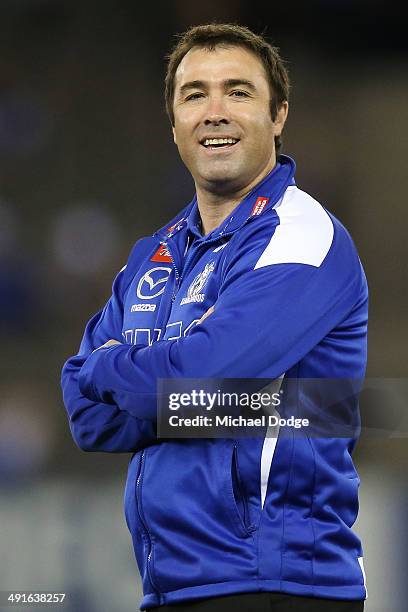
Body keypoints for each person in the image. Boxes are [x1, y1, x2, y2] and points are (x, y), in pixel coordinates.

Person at [61, 23, 368, 612]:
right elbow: (87, 420)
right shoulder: (155, 254)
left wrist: (114, 374)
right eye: (194, 94)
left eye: (239, 92)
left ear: (279, 114)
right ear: (172, 122)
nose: (215, 111)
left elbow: (200, 378)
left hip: (277, 584)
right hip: (171, 586)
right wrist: (168, 392)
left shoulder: (302, 236)